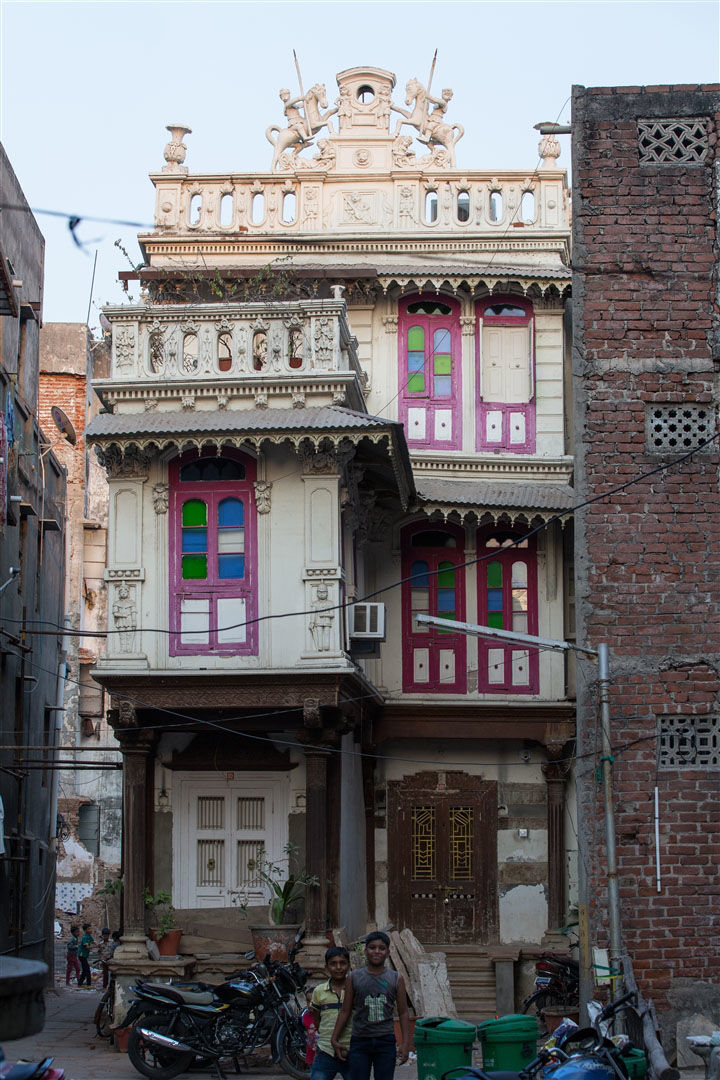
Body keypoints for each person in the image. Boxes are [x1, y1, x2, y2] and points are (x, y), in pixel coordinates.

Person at [331, 932, 410, 1080]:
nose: (377, 951)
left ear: (388, 952)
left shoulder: (396, 978)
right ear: (365, 951)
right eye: (372, 947)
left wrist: (406, 1043)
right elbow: (345, 1011)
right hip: (360, 1040)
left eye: (382, 948)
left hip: (385, 1040)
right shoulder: (354, 977)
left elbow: (404, 1012)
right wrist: (334, 1038)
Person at [311, 946, 352, 1080]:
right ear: (326, 967)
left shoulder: (355, 989)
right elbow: (316, 1018)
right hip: (326, 1050)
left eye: (342, 963)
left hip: (351, 1050)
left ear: (349, 965)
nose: (338, 967)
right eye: (333, 964)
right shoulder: (319, 991)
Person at [77, 922, 94, 987]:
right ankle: (88, 984)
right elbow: (87, 946)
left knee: (84, 970)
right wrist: (95, 946)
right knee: (87, 969)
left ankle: (80, 983)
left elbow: (93, 942)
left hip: (85, 955)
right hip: (82, 955)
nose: (90, 930)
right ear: (85, 930)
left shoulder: (89, 936)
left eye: (90, 928)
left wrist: (98, 945)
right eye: (89, 929)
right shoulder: (84, 937)